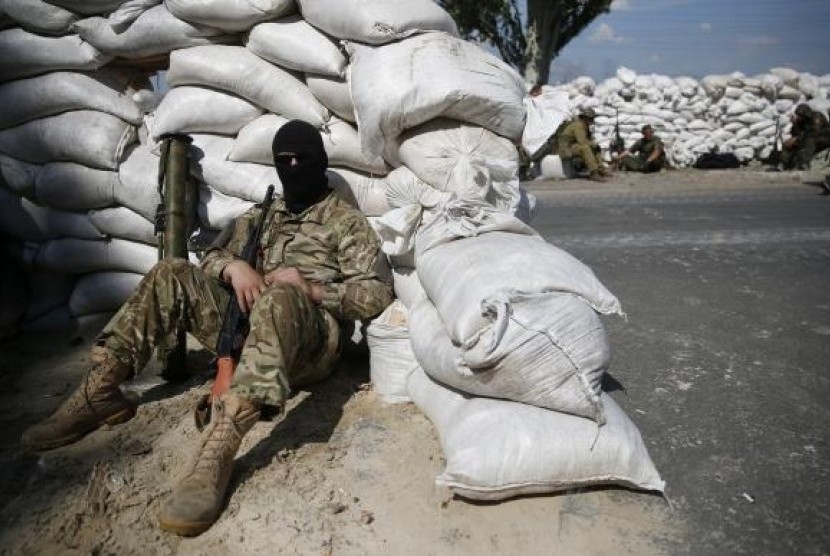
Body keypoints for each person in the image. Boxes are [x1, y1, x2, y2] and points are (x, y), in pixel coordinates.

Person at [20, 120, 394, 536]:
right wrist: (234, 268)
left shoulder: (344, 222)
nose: (293, 166)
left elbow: (376, 293)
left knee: (281, 297)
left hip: (310, 344)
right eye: (283, 160)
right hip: (249, 326)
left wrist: (311, 289)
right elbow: (211, 257)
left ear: (321, 162)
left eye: (302, 159)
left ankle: (219, 447)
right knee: (172, 271)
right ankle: (102, 389)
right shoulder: (260, 216)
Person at [555, 107, 612, 182]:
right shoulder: (578, 125)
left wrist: (594, 144)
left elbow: (587, 140)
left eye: (592, 118)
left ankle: (601, 169)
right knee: (585, 148)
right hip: (566, 149)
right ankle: (594, 172)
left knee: (595, 147)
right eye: (590, 118)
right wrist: (592, 143)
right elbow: (582, 141)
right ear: (585, 118)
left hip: (573, 146)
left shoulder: (585, 126)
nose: (592, 120)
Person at [780, 103, 830, 170]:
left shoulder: (817, 117)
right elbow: (795, 133)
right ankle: (785, 163)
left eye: (800, 115)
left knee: (810, 140)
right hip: (807, 139)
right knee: (788, 144)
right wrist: (795, 125)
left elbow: (815, 133)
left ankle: (804, 163)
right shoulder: (801, 121)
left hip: (824, 139)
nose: (799, 117)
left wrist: (797, 139)